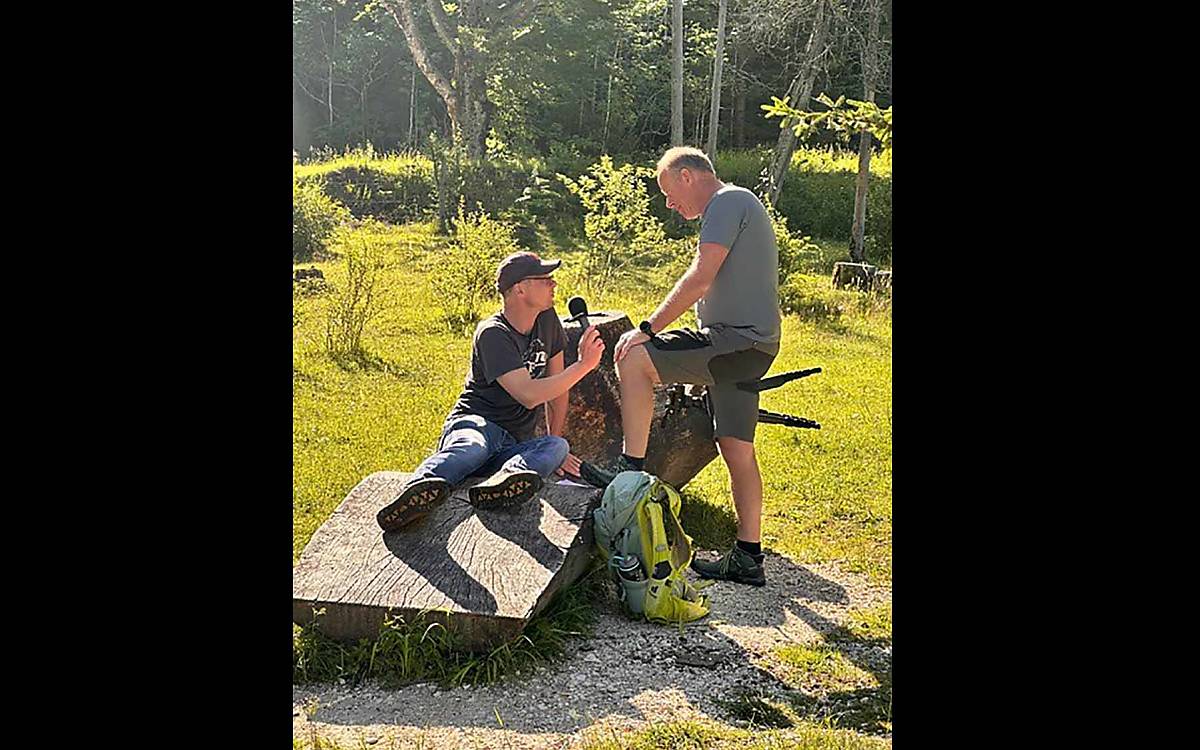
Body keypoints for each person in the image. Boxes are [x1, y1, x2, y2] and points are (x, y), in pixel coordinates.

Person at [579, 146, 781, 586]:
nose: (670, 204)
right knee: (737, 449)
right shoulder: (740, 204)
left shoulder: (727, 202)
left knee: (634, 359)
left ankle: (628, 469)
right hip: (755, 347)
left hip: (734, 343)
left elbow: (701, 276)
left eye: (670, 193)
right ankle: (749, 556)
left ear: (688, 176)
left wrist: (648, 328)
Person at [377, 252, 605, 532]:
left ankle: (500, 487)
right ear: (519, 289)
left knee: (557, 447)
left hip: (512, 445)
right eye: (545, 279)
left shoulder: (547, 320)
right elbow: (529, 394)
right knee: (473, 449)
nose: (554, 284)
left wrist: (553, 440)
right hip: (477, 424)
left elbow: (557, 387)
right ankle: (415, 492)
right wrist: (584, 365)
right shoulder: (492, 334)